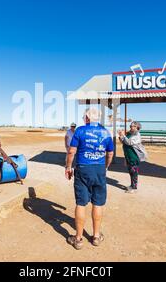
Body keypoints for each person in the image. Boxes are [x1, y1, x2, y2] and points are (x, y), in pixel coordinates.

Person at [65, 107, 114, 250]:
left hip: (83, 169)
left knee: (81, 203)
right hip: (99, 170)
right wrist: (105, 167)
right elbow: (110, 154)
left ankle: (78, 239)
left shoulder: (80, 131)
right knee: (97, 203)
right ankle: (96, 237)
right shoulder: (105, 132)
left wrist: (68, 167)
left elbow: (71, 151)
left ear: (87, 117)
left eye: (83, 117)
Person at [118, 121, 148, 193]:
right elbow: (124, 141)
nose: (131, 127)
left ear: (137, 127)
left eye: (133, 126)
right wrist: (121, 136)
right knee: (130, 171)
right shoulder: (129, 134)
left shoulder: (137, 135)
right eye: (130, 126)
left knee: (134, 171)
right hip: (128, 155)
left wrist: (123, 136)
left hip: (134, 156)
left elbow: (129, 142)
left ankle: (134, 188)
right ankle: (132, 185)